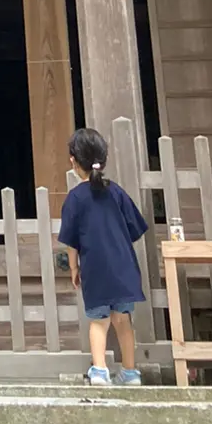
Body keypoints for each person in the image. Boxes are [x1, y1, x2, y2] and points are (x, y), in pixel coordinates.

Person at [57, 125, 148, 388]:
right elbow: (134, 228)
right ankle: (130, 373)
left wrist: (74, 268)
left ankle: (99, 371)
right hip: (122, 265)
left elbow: (71, 241)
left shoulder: (75, 198)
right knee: (123, 319)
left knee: (99, 321)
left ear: (74, 162)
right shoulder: (116, 192)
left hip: (95, 268)